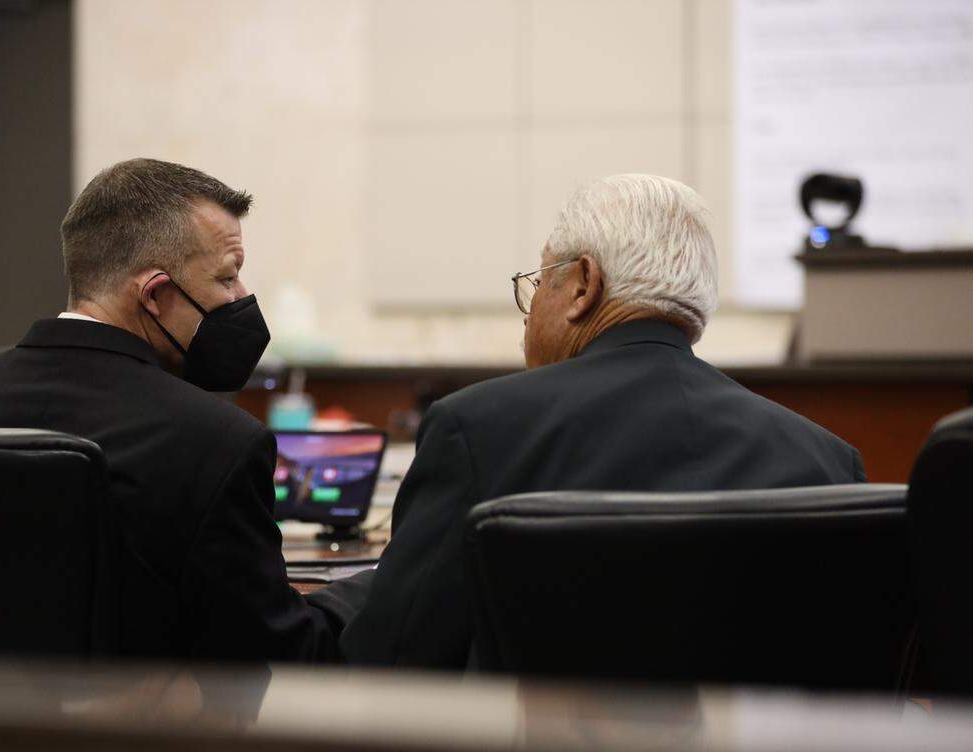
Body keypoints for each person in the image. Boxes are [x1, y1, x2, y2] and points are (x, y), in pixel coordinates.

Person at [330, 174, 867, 670]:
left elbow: (392, 659)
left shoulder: (477, 429)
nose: (530, 307)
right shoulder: (826, 460)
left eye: (539, 281)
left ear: (585, 284)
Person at [0, 158, 345, 662]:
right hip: (133, 737)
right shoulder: (218, 441)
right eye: (228, 278)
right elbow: (279, 650)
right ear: (155, 295)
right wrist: (368, 592)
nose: (243, 297)